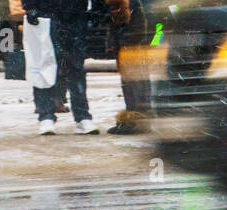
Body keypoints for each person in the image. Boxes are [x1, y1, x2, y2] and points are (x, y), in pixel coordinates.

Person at [23, 0, 96, 134]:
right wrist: (30, 6)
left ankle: (82, 116)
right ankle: (46, 116)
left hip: (75, 13)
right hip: (46, 12)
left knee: (76, 65)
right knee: (43, 64)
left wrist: (96, 9)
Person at [106, 0, 149, 134]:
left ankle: (136, 119)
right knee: (132, 80)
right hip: (131, 40)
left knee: (133, 80)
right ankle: (136, 117)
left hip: (132, 41)